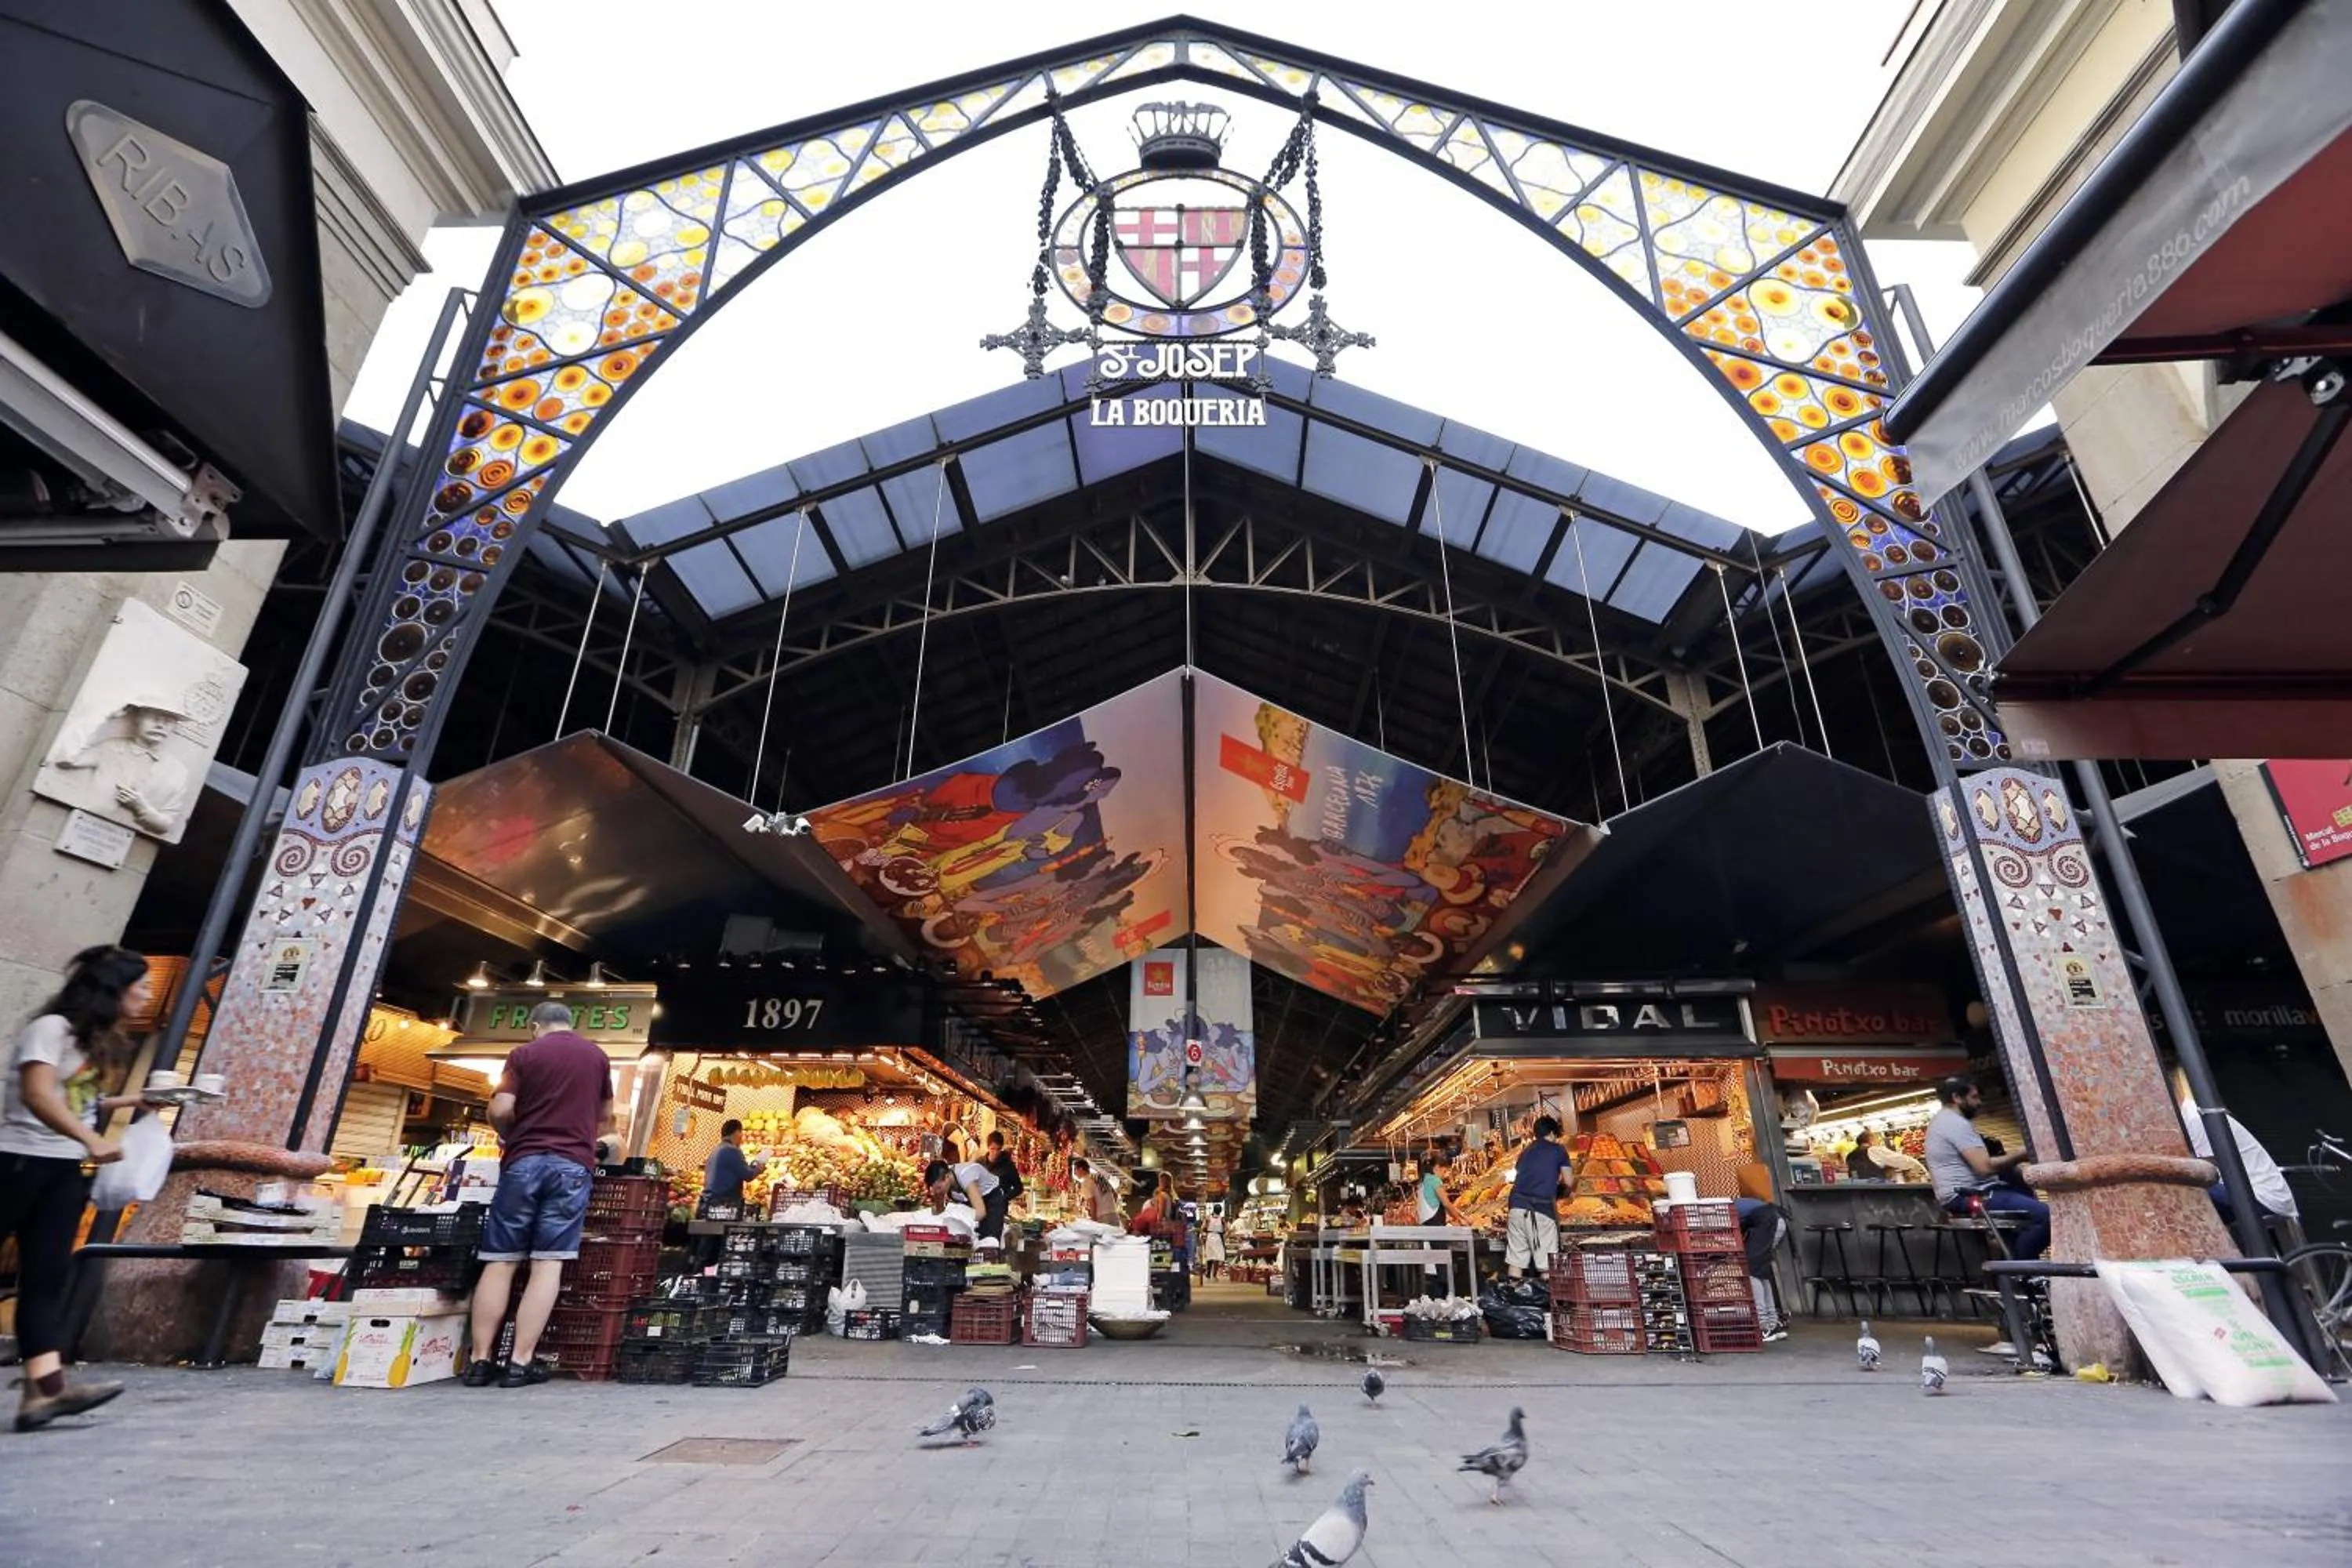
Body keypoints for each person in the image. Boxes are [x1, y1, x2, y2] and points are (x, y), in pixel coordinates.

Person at [2, 946, 158, 1432]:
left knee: (47, 1277)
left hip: (66, 1169)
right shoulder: (51, 1030)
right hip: (18, 1161)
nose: (149, 993)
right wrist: (91, 1138)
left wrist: (137, 1100)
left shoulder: (92, 1042)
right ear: (115, 989)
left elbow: (78, 1098)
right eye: (142, 985)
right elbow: (37, 1093)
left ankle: (45, 1393)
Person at [463, 1001, 615, 1389]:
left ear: (535, 1026)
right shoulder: (596, 1057)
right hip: (570, 1165)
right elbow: (606, 1116)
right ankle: (520, 1361)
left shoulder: (524, 1054)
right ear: (570, 1024)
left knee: (500, 1260)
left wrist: (507, 1130)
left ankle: (480, 1361)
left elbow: (502, 1105)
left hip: (523, 1162)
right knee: (549, 1263)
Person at [1924, 1075, 2048, 1261]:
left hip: (1973, 1193)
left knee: (2020, 1226)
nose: (1980, 1103)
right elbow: (1984, 1168)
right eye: (1974, 1097)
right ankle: (2018, 1267)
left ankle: (2018, 1273)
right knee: (2047, 1217)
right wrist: (2022, 1153)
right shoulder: (1954, 1124)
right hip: (1970, 1195)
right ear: (1957, 1098)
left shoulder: (1943, 1121)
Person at [2179, 1093, 2299, 1231]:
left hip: (2262, 1199)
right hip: (2243, 1194)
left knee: (2185, 1191)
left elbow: (2204, 1170)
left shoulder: (2195, 1118)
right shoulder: (2188, 1117)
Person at [1504, 1115, 1573, 1281]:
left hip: (1515, 1209)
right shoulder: (1558, 1150)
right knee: (1547, 1264)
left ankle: (1514, 1299)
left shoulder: (1525, 1152)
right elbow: (1569, 1181)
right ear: (1552, 1132)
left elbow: (1520, 1177)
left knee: (1516, 1261)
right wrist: (1561, 1192)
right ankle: (1546, 1301)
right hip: (1539, 1210)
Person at [695, 1119, 765, 1265]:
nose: (742, 1137)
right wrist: (759, 1167)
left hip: (709, 1205)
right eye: (742, 1133)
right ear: (737, 1132)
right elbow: (748, 1175)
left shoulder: (716, 1150)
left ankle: (701, 1277)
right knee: (717, 1251)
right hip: (724, 1207)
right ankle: (708, 1278)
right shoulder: (733, 1151)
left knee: (706, 1250)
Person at [1734, 1196, 1792, 1342]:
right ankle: (1772, 1324)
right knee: (1761, 1273)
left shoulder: (1726, 1210)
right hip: (1778, 1223)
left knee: (1751, 1271)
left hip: (1768, 1224)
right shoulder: (1740, 1204)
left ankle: (1763, 1325)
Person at [923, 1155, 1004, 1242]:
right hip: (970, 1200)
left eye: (939, 1188)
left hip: (991, 1199)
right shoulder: (944, 1175)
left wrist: (958, 1218)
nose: (938, 1192)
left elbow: (981, 1213)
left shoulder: (966, 1176)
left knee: (988, 1239)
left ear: (947, 1177)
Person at [1845, 1128, 1928, 1182]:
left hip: (1860, 1193)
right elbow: (1900, 1160)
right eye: (1876, 1139)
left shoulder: (1849, 1156)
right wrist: (1922, 1170)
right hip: (1879, 1190)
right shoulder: (1874, 1150)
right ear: (1871, 1140)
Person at [985, 1130, 1025, 1221]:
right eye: (992, 1149)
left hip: (999, 1211)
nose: (995, 1153)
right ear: (988, 1147)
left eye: (998, 1149)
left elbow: (1019, 1188)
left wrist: (1004, 1198)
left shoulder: (1008, 1166)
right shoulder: (980, 1163)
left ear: (1002, 1148)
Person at [1199, 1206, 1226, 1279]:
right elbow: (1226, 1229)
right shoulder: (1221, 1219)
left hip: (1210, 1237)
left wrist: (1203, 1235)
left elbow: (1202, 1228)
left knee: (1211, 1256)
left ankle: (1209, 1273)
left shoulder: (1208, 1218)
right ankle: (1213, 1274)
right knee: (1216, 1256)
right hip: (1217, 1237)